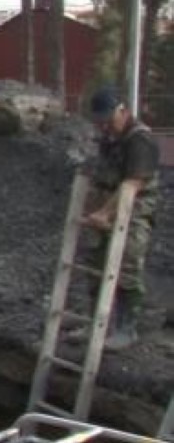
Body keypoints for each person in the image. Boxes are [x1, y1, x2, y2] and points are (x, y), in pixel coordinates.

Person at [75, 87, 160, 351]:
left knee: (127, 266)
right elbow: (100, 175)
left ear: (122, 110)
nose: (104, 125)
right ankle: (97, 323)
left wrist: (104, 213)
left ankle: (126, 329)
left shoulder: (140, 140)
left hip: (133, 211)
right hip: (108, 204)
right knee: (96, 265)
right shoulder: (109, 138)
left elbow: (132, 184)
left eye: (108, 119)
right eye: (100, 120)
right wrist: (91, 207)